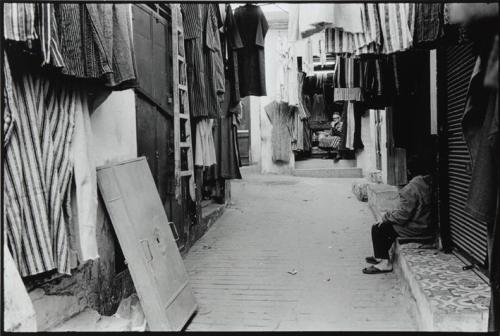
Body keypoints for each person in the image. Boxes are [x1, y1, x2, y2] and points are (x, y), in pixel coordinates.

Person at [362, 156, 436, 274]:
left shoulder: (411, 188)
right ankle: (379, 256)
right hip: (427, 224)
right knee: (387, 228)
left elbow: (403, 216)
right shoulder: (429, 182)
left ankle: (384, 263)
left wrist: (386, 217)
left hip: (417, 226)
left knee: (378, 228)